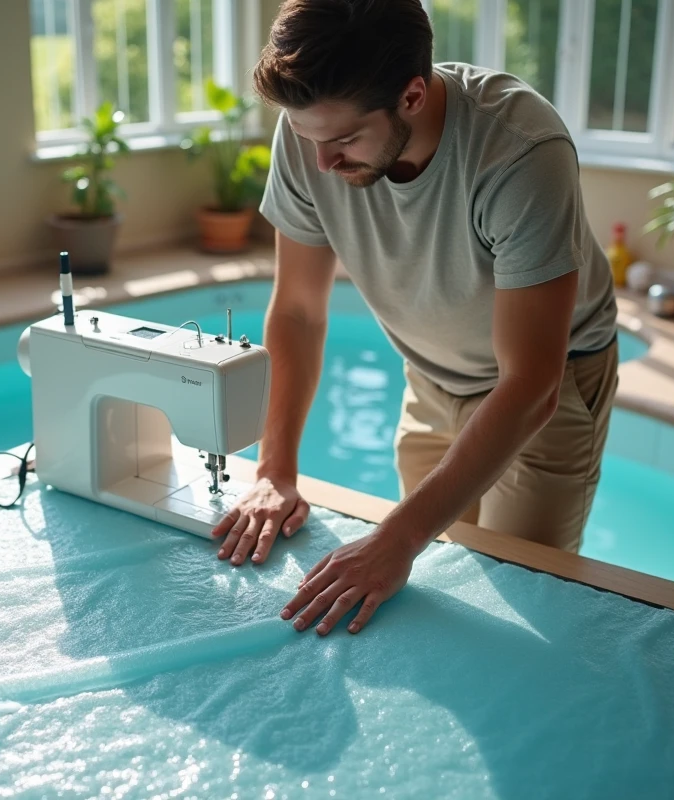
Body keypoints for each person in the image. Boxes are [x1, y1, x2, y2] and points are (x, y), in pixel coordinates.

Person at [210, 0, 619, 637]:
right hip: (430, 379)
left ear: (412, 94)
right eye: (308, 136)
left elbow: (530, 385)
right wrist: (275, 471)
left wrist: (397, 537)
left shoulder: (519, 151)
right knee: (436, 590)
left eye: (343, 140)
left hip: (546, 391)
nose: (321, 163)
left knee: (524, 608)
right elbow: (296, 310)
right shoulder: (312, 133)